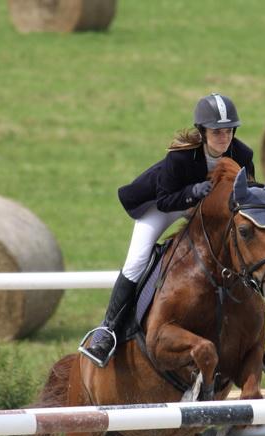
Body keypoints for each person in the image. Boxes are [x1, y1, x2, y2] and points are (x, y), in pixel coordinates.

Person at [78, 93, 255, 368]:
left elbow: (248, 196)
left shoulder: (242, 154)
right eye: (217, 132)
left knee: (237, 252)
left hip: (203, 208)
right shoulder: (180, 157)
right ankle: (107, 331)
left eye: (229, 131)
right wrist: (192, 191)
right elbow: (164, 200)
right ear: (202, 132)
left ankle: (251, 337)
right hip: (164, 205)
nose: (224, 137)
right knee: (137, 260)